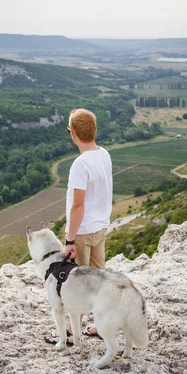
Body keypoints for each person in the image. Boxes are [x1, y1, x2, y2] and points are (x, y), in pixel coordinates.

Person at [45, 108, 113, 344]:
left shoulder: (80, 164)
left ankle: (73, 333)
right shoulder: (104, 154)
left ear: (73, 134)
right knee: (99, 279)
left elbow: (77, 207)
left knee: (78, 285)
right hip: (101, 228)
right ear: (94, 130)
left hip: (83, 233)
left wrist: (69, 239)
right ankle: (104, 326)